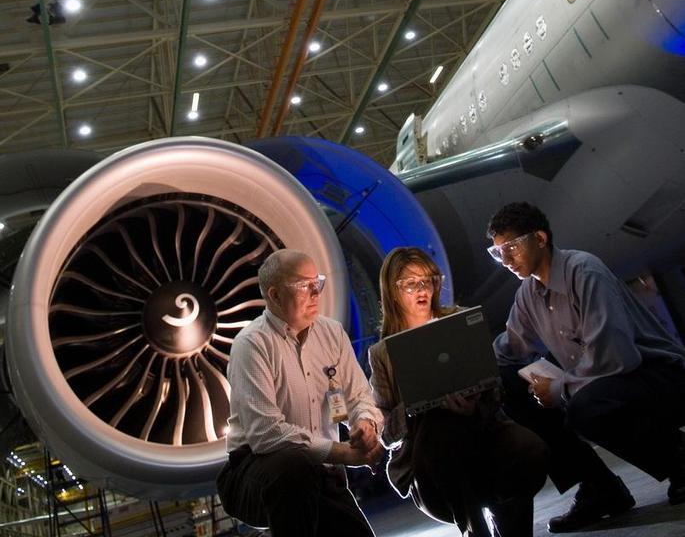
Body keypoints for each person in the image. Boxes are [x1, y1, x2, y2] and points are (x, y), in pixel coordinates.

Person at [487, 201, 685, 533]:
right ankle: (599, 486)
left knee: (588, 407)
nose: (506, 260)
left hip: (657, 376)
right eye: (497, 253)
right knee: (506, 383)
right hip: (604, 383)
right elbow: (509, 348)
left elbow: (616, 358)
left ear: (540, 238)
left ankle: (679, 461)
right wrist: (469, 372)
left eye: (511, 248)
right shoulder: (529, 293)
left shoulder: (584, 271)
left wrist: (559, 389)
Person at [367, 246, 549, 537]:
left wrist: (474, 404)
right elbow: (386, 433)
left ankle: (500, 529)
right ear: (393, 290)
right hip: (429, 457)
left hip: (482, 429)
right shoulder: (382, 353)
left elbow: (495, 388)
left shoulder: (460, 323)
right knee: (439, 426)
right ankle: (475, 528)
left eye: (428, 280)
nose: (422, 289)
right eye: (411, 283)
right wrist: (416, 404)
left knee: (525, 449)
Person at [217, 249, 384, 537]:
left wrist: (365, 425)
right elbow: (267, 435)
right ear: (275, 295)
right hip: (256, 471)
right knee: (292, 465)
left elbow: (357, 397)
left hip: (320, 473)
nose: (316, 293)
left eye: (317, 283)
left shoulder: (332, 333)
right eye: (304, 286)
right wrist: (344, 453)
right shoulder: (252, 344)